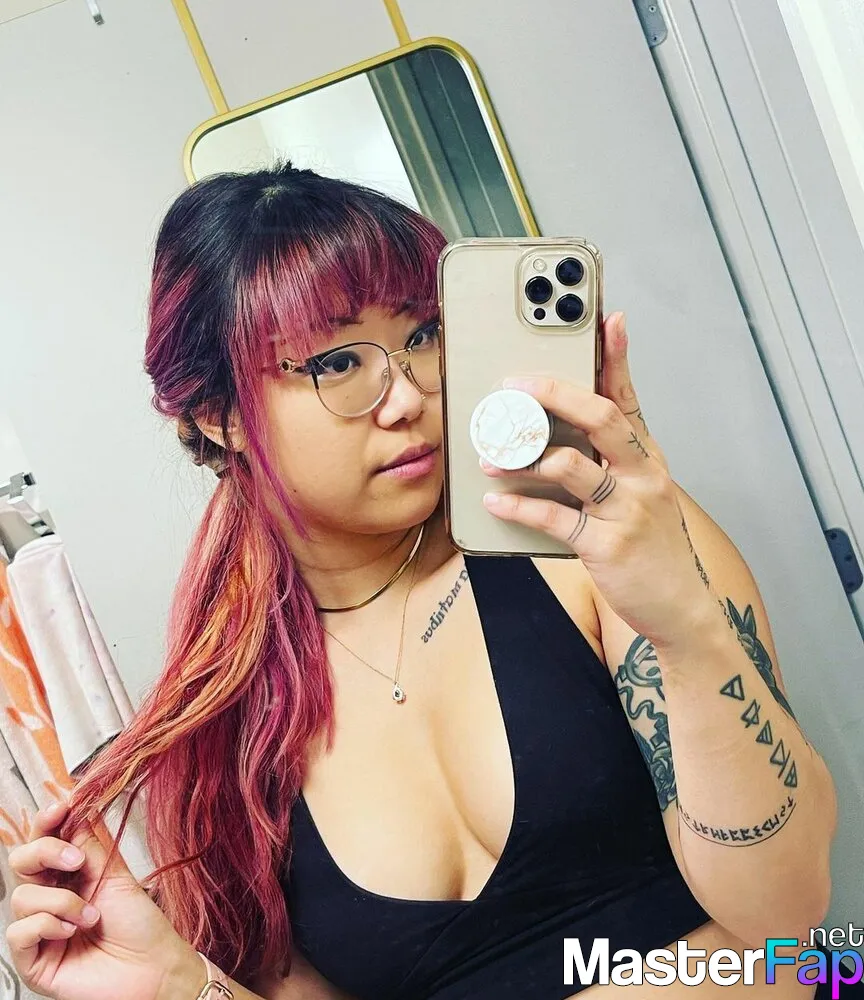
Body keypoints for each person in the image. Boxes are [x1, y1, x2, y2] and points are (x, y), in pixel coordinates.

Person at [4, 163, 849, 1000]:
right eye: (339, 361)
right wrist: (178, 987)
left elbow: (787, 918)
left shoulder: (591, 543)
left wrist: (686, 628)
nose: (408, 396)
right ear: (217, 415)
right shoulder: (228, 733)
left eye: (423, 335)